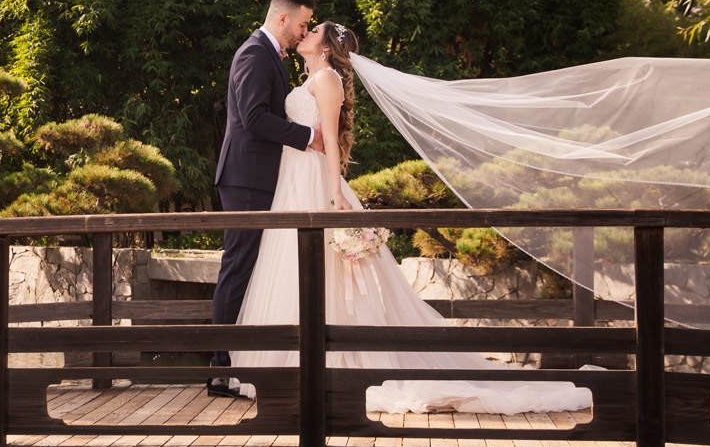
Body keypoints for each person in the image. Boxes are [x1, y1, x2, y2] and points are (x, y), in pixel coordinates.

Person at [226, 21, 592, 415]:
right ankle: (285, 366)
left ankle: (328, 366)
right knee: (290, 269)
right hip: (291, 181)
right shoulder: (309, 77)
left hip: (313, 180)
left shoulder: (327, 79)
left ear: (327, 48)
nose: (306, 33)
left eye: (313, 31)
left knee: (325, 275)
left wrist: (335, 190)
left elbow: (329, 139)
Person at [208, 0, 325, 396]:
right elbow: (255, 117)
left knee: (252, 268)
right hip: (245, 178)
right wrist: (310, 136)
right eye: (302, 24)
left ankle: (237, 361)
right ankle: (219, 369)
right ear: (282, 19)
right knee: (238, 266)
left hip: (261, 178)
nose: (303, 31)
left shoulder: (270, 55)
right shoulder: (254, 54)